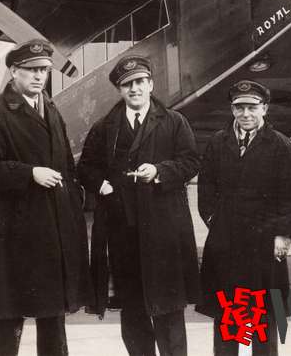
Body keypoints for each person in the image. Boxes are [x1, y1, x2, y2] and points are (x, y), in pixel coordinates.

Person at [0, 39, 92, 356]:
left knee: (52, 318)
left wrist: (73, 202)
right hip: (14, 233)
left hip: (52, 232)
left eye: (44, 70)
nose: (39, 77)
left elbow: (65, 161)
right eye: (32, 70)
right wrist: (29, 173)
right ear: (14, 71)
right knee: (6, 320)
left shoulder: (50, 108)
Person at [77, 55, 200, 356]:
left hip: (163, 232)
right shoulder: (105, 126)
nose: (134, 89)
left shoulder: (174, 122)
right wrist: (100, 185)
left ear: (150, 84)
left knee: (168, 307)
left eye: (139, 82)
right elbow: (86, 168)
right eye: (127, 85)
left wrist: (160, 171)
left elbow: (191, 161)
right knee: (132, 308)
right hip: (123, 233)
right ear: (119, 90)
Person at [197, 80, 291, 355]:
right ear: (232, 109)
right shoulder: (218, 143)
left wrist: (282, 234)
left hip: (264, 245)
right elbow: (206, 189)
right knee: (229, 317)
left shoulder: (281, 145)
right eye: (239, 107)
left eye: (252, 107)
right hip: (227, 244)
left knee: (262, 319)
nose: (245, 114)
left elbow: (288, 195)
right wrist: (216, 222)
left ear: (264, 108)